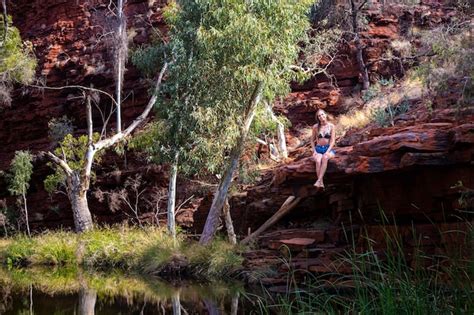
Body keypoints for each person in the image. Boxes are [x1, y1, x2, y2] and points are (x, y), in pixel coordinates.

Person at [311, 109, 336, 189]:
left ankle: (319, 180)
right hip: (318, 149)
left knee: (325, 158)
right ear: (318, 118)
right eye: (319, 116)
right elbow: (312, 140)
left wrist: (328, 151)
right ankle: (321, 183)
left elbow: (332, 141)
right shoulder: (315, 127)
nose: (321, 117)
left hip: (327, 149)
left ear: (325, 114)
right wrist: (314, 151)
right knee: (318, 160)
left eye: (322, 114)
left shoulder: (331, 126)